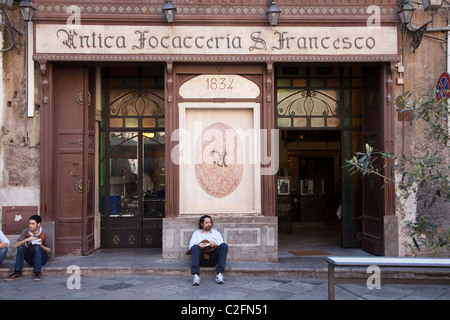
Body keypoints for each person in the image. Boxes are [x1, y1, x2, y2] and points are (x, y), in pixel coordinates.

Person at [4, 215, 52, 282]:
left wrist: (39, 245)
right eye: (29, 223)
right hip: (31, 258)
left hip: (42, 258)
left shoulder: (45, 233)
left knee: (37, 247)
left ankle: (37, 272)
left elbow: (49, 250)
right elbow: (15, 245)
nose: (30, 226)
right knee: (21, 247)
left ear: (38, 224)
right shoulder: (26, 231)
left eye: (33, 224)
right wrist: (26, 240)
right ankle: (17, 272)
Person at [188, 215, 228, 286]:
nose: (209, 224)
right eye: (206, 222)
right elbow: (191, 247)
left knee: (224, 246)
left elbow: (221, 245)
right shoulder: (196, 233)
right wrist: (199, 245)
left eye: (210, 222)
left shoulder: (216, 233)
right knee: (194, 247)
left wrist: (215, 245)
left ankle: (219, 274)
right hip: (201, 259)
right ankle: (196, 275)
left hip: (213, 259)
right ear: (201, 224)